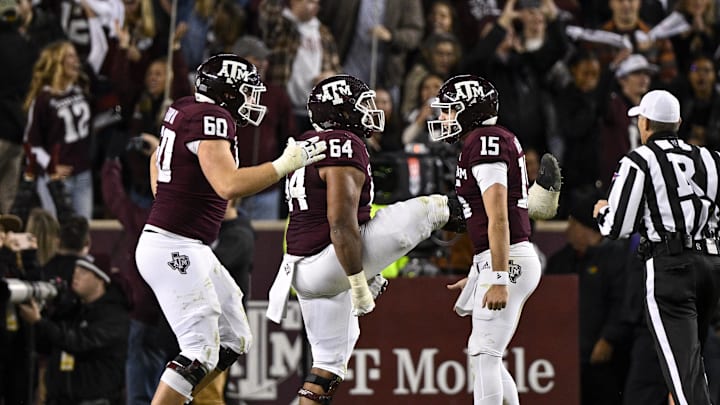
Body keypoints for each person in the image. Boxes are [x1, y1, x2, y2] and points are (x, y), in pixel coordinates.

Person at [134, 53, 327, 405]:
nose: (253, 100)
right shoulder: (211, 118)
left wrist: (168, 195)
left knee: (235, 338)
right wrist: (285, 164)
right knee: (198, 351)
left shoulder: (185, 108)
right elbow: (228, 184)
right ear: (227, 92)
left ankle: (185, 395)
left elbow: (155, 156)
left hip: (186, 244)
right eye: (246, 90)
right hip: (175, 246)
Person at [265, 73, 469, 404]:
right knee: (430, 210)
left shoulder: (309, 140)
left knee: (327, 368)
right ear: (342, 112)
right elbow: (342, 224)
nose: (370, 112)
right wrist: (358, 281)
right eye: (362, 105)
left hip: (302, 269)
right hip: (328, 259)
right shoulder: (344, 144)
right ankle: (516, 204)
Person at [428, 74, 559, 405]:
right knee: (486, 355)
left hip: (509, 258)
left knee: (484, 352)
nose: (442, 118)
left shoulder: (485, 141)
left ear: (469, 110)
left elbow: (498, 216)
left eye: (449, 110)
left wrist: (498, 276)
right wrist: (479, 274)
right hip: (502, 257)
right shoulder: (485, 139)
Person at [594, 89, 720, 405]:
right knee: (691, 369)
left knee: (686, 381)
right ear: (678, 122)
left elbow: (616, 227)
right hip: (711, 267)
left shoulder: (640, 158)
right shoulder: (710, 158)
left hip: (670, 268)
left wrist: (601, 211)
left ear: (644, 123)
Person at [546, 189, 630, 405]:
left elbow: (621, 302)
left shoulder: (617, 259)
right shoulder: (559, 261)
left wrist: (608, 339)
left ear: (589, 230)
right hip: (565, 356)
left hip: (603, 357)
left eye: (574, 224)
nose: (569, 229)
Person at [18, 257, 130, 405]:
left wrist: (40, 322)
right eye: (75, 270)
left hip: (95, 400)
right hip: (60, 399)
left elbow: (78, 343)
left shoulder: (114, 316)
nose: (76, 275)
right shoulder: (74, 309)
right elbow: (48, 343)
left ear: (101, 280)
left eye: (84, 272)